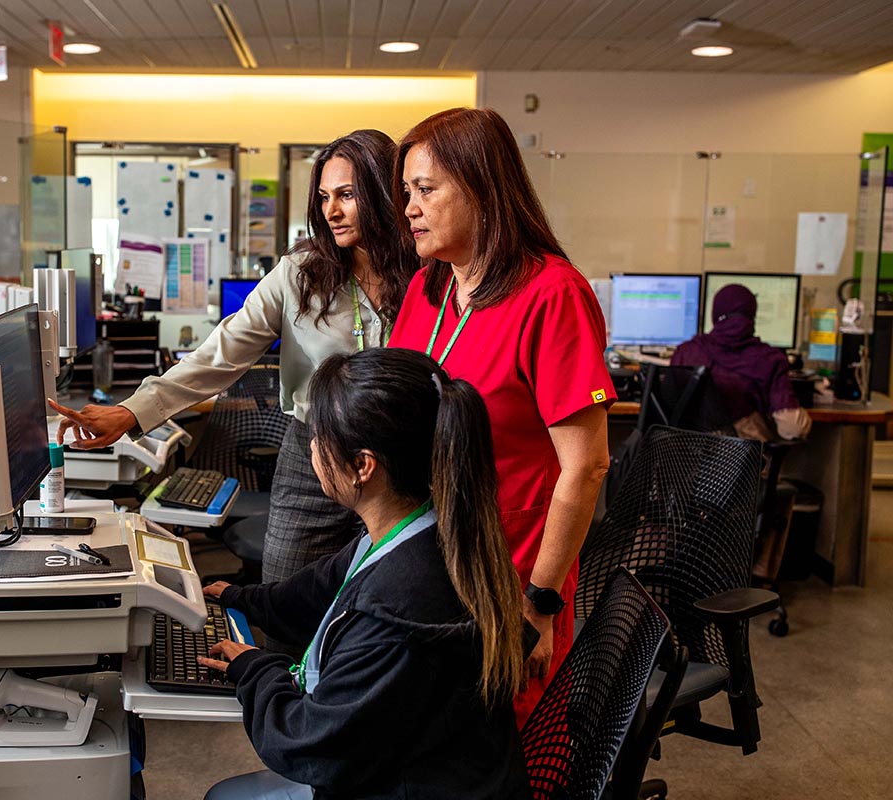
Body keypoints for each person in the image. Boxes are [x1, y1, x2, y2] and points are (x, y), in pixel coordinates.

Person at [49, 129, 420, 593]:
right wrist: (132, 411)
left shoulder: (429, 274)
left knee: (393, 595)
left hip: (407, 463)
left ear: (384, 193)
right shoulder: (300, 276)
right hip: (317, 453)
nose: (332, 211)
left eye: (347, 195)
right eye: (324, 196)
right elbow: (222, 352)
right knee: (290, 591)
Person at [199, 348, 530, 800]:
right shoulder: (421, 528)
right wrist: (234, 598)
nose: (311, 448)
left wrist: (255, 669)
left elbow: (307, 744)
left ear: (362, 465)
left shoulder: (400, 601)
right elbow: (314, 594)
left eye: (319, 438)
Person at [387, 107, 614, 726]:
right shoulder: (428, 288)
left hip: (507, 572)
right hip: (426, 559)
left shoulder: (552, 293)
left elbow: (587, 466)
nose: (409, 207)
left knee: (496, 750)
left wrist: (538, 602)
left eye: (426, 190)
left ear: (484, 188)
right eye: (407, 191)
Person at [671, 283, 811, 441]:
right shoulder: (768, 360)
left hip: (685, 460)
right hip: (743, 462)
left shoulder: (686, 352)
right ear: (752, 316)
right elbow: (792, 429)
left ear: (715, 315)